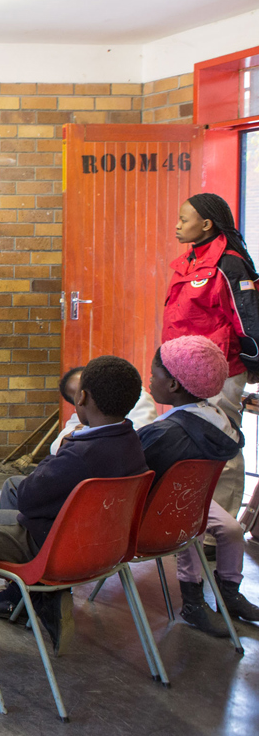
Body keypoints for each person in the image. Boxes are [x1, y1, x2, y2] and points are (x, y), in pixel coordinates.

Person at [0, 355, 148, 656]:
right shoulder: (131, 440)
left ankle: (41, 596)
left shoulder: (78, 453)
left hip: (49, 547)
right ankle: (28, 597)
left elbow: (27, 496)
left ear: (83, 396)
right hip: (101, 547)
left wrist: (60, 452)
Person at [138, 336, 259, 634]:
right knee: (231, 529)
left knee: (192, 530)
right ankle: (217, 596)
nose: (150, 380)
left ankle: (205, 600)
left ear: (174, 385)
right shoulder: (220, 421)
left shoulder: (166, 432)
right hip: (193, 500)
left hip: (160, 508)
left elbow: (136, 471)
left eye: (155, 375)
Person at [162, 192, 259, 520]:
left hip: (221, 370)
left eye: (183, 220)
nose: (176, 226)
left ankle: (222, 530)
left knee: (221, 442)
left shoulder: (230, 263)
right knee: (189, 444)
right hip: (182, 369)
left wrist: (255, 365)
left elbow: (248, 321)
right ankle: (193, 521)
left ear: (205, 224)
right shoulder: (189, 261)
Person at [49, 365, 156, 455]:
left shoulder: (136, 396)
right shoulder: (82, 414)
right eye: (80, 394)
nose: (87, 395)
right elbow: (56, 445)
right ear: (78, 404)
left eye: (90, 384)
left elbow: (141, 436)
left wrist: (91, 433)